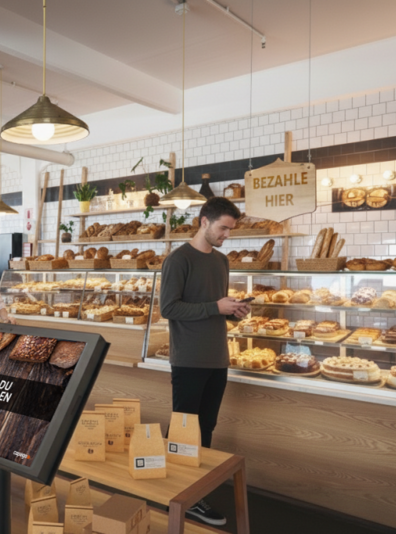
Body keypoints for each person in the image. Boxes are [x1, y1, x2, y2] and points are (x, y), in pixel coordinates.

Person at [159, 197, 249, 527]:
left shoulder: (222, 262)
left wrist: (234, 313)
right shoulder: (178, 260)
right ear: (203, 222)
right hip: (189, 359)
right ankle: (177, 494)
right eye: (223, 227)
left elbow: (215, 311)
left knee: (206, 428)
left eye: (230, 229)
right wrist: (216, 307)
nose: (227, 234)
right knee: (184, 430)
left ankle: (193, 493)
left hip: (217, 358)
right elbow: (168, 309)